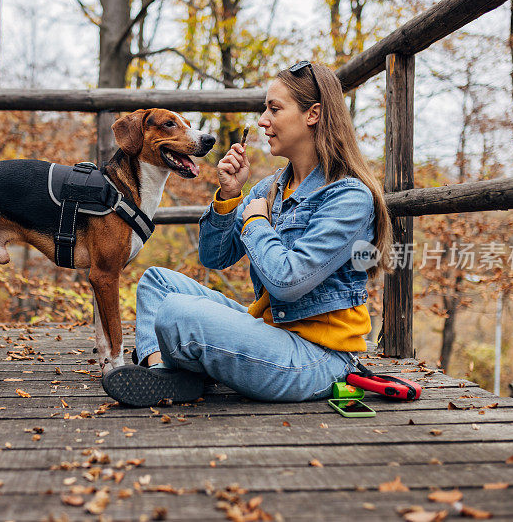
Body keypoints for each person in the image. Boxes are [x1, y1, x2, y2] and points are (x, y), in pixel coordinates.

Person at [101, 61, 393, 407]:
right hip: (269, 332)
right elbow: (214, 257)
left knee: (178, 313)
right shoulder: (270, 188)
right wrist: (228, 198)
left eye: (274, 108)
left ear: (312, 114)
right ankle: (161, 372)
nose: (262, 120)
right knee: (156, 283)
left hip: (315, 358)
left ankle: (175, 372)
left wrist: (255, 223)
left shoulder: (348, 197)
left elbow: (289, 281)